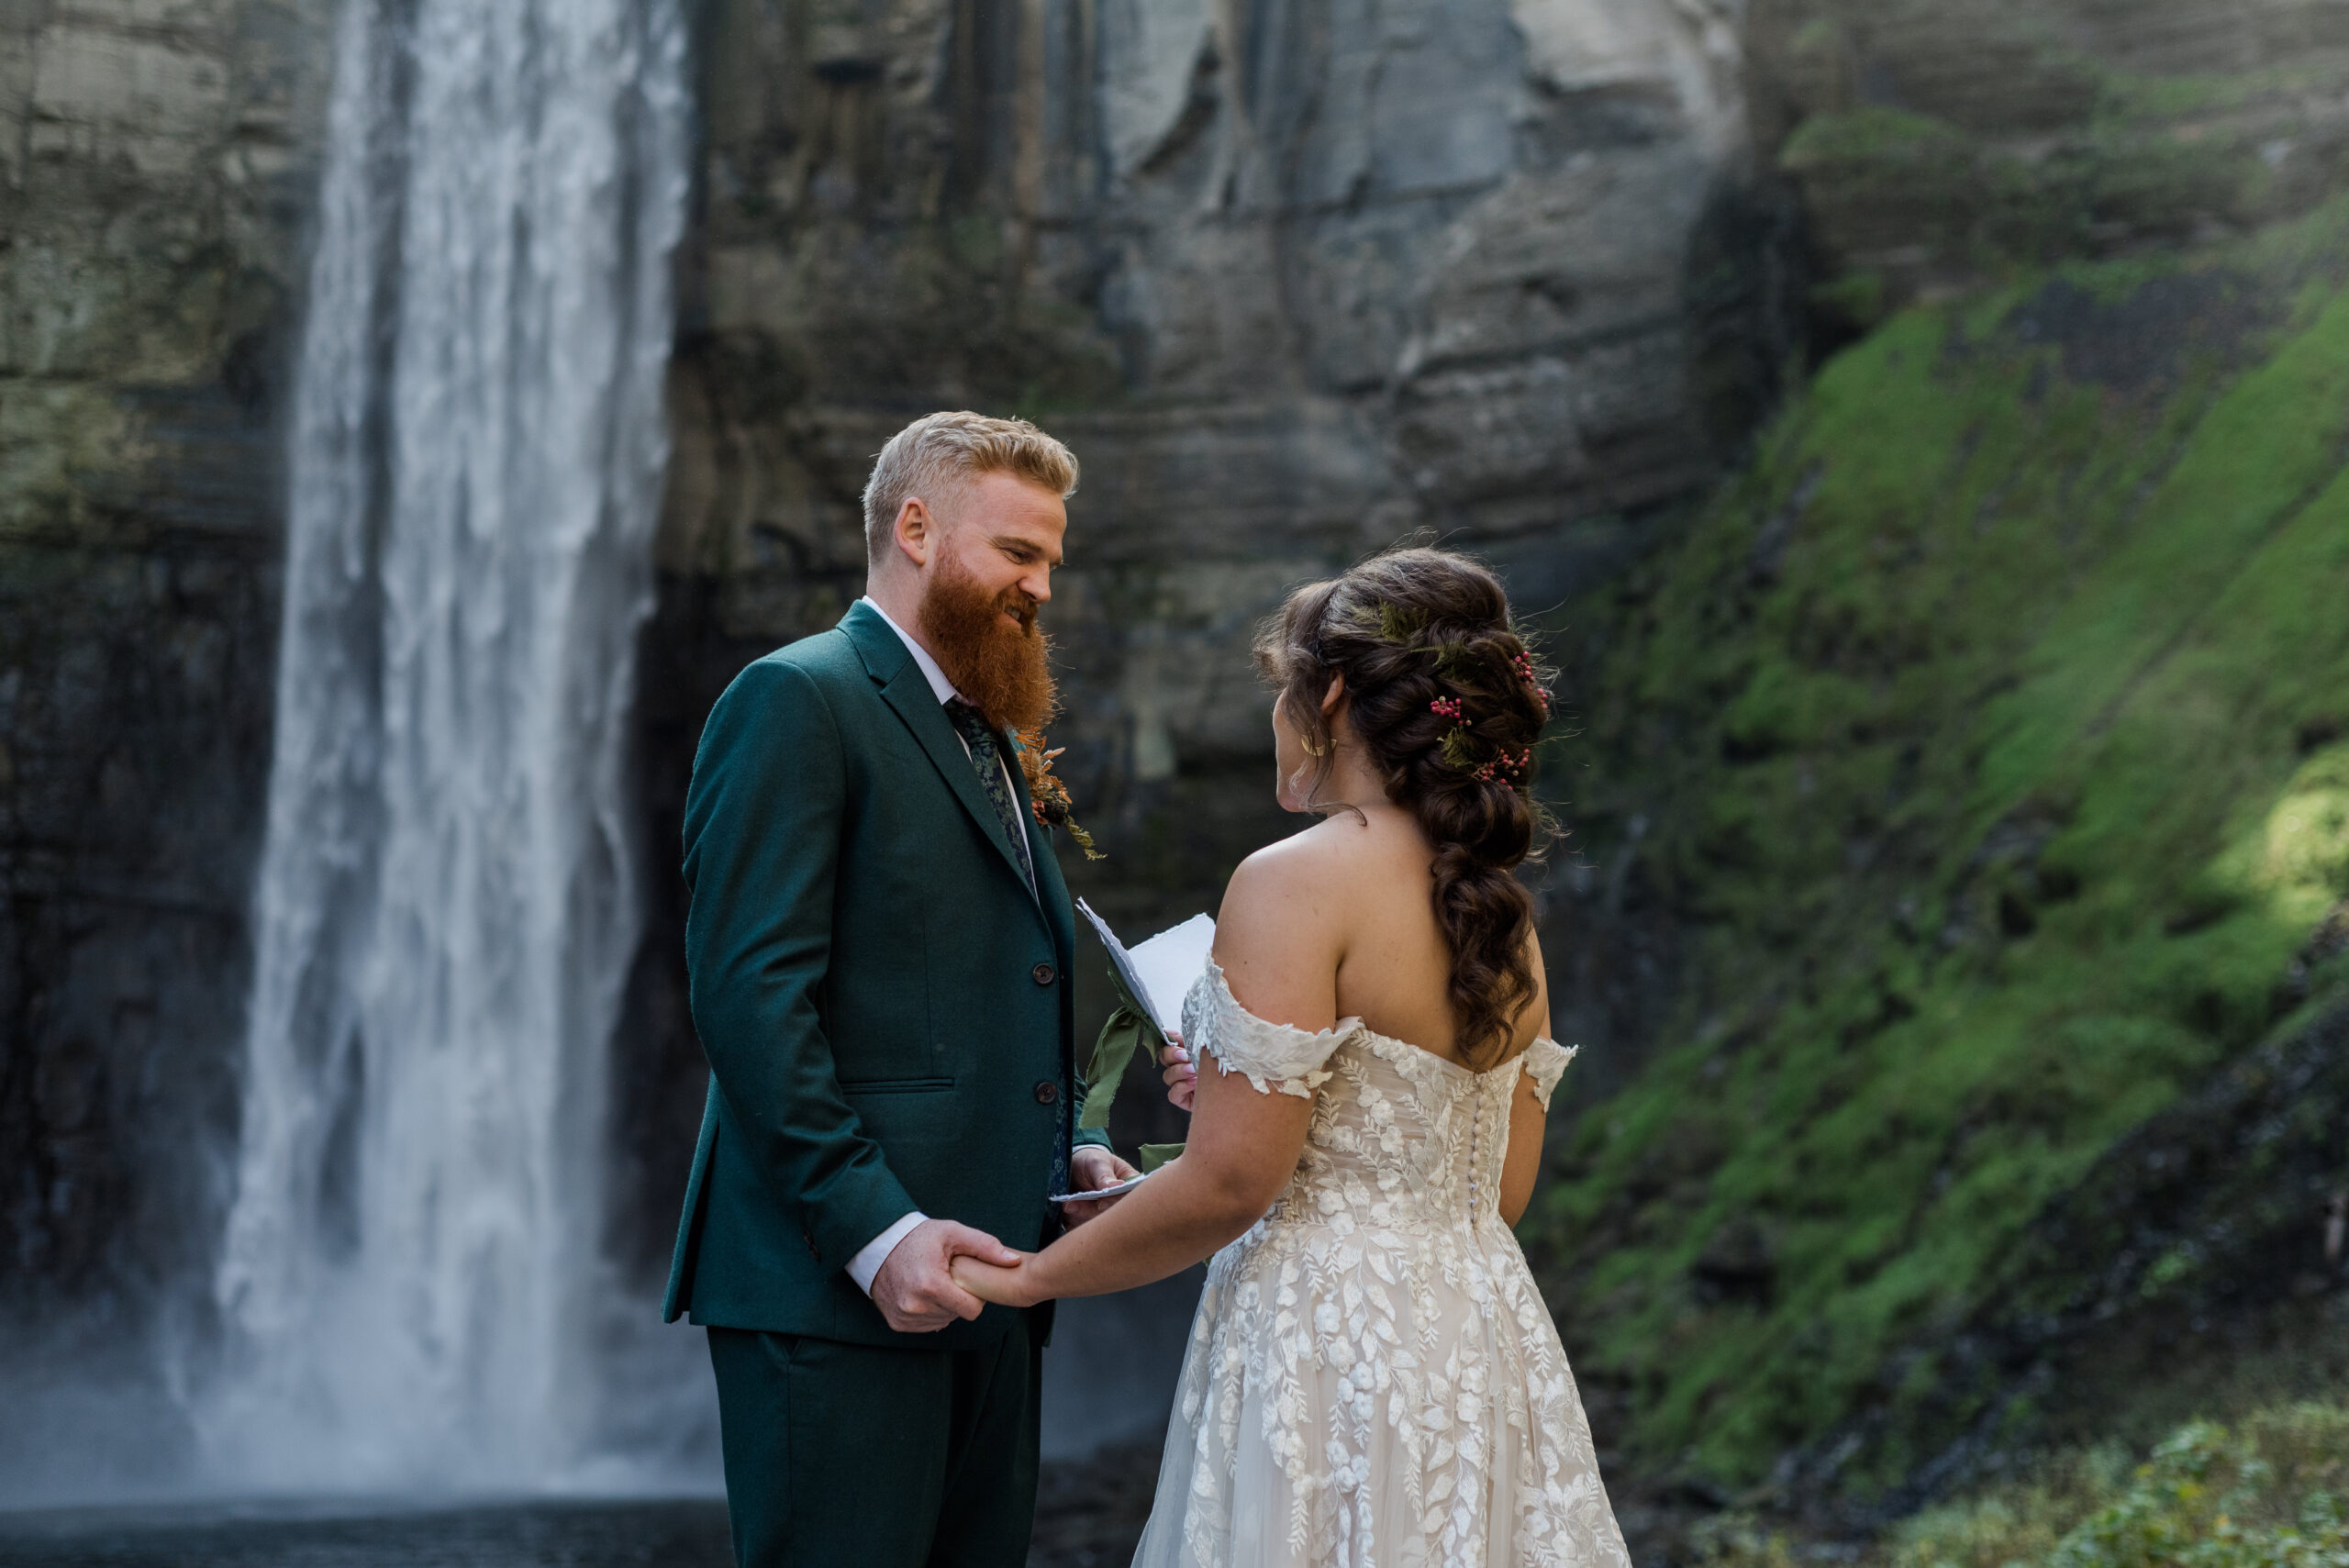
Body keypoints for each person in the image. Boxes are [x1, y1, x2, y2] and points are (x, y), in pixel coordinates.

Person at [953, 547, 1631, 1567]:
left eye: (1278, 689)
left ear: (1325, 696)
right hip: (1481, 1333)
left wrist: (1031, 1278)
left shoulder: (1290, 881)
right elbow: (1498, 1190)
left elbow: (1231, 1181)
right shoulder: (1502, 909)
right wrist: (1247, 1103)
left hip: (1327, 1346)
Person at [661, 411, 1143, 1568]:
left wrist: (1070, 1142)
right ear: (915, 528)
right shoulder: (796, 697)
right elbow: (750, 994)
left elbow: (1008, 985)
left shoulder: (982, 731)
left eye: (1050, 564)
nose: (1039, 587)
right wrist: (876, 1229)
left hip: (994, 1287)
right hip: (839, 1288)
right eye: (1017, 553)